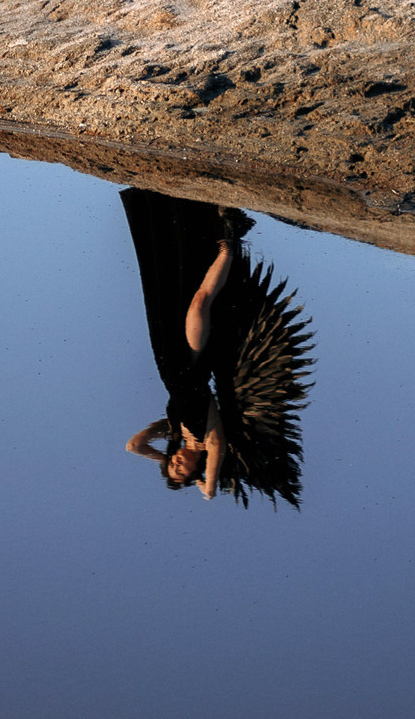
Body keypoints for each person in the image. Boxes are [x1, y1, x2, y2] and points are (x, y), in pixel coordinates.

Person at [120, 188, 312, 508]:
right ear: (197, 469)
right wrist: (204, 482)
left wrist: (163, 459)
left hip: (167, 364)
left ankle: (184, 217)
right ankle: (230, 244)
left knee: (166, 295)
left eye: (173, 466)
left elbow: (134, 446)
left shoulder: (173, 429)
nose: (177, 464)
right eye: (182, 469)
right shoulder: (209, 439)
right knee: (199, 303)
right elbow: (210, 486)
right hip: (193, 365)